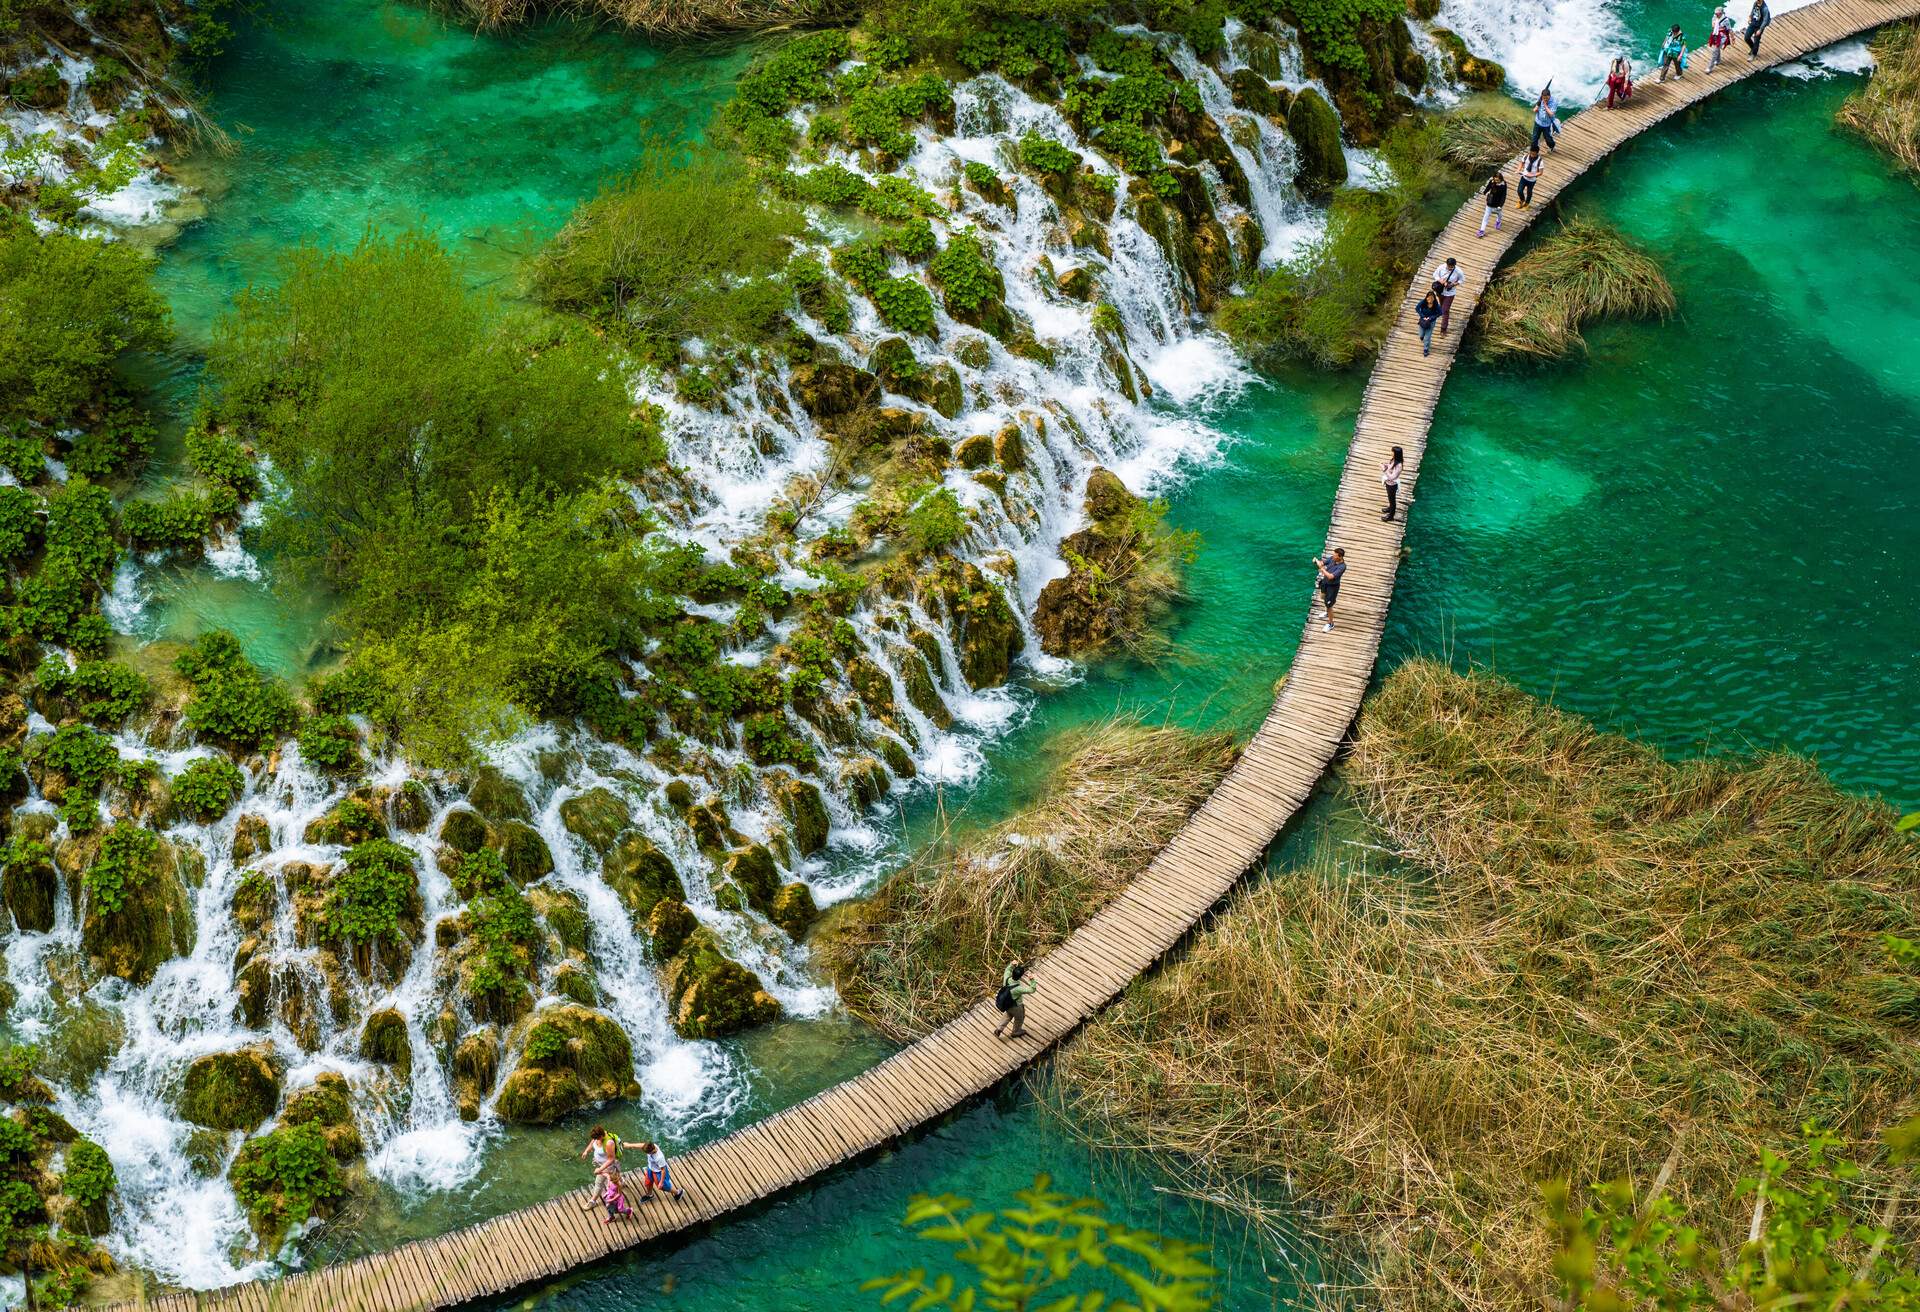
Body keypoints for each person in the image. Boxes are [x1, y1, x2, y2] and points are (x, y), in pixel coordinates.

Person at [993, 961, 1036, 1039]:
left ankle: (999, 1029)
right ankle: (1016, 1031)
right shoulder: (1017, 988)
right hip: (1016, 1006)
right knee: (1020, 1017)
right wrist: (1032, 980)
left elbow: (1007, 970)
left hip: (1007, 1004)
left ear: (1012, 973)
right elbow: (1031, 990)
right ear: (1020, 977)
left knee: (1008, 1015)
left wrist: (1011, 965)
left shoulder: (1007, 978)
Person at [1314, 548, 1346, 633]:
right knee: (1324, 598)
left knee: (1329, 605)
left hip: (1332, 587)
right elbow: (1323, 563)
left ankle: (1331, 623)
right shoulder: (1332, 558)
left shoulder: (1342, 567)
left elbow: (1331, 576)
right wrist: (1317, 562)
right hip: (1325, 583)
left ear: (1340, 557)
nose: (1333, 557)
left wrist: (1322, 569)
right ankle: (1327, 612)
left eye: (1335, 555)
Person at [1431, 256, 1464, 334]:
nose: (1450, 268)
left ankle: (1443, 329)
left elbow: (1461, 280)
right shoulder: (1441, 267)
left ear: (1454, 265)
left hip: (1450, 293)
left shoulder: (1458, 271)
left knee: (1445, 310)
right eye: (1449, 266)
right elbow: (1435, 275)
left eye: (1452, 267)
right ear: (1446, 264)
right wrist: (1441, 281)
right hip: (1440, 291)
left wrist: (1453, 284)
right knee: (1443, 308)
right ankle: (1443, 315)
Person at [1476, 170, 1508, 237]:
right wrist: (1485, 192)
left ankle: (1498, 221)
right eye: (1495, 180)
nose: (1496, 181)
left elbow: (1503, 196)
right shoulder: (1492, 182)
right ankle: (1482, 230)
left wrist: (1500, 205)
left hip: (1498, 203)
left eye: (1498, 180)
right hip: (1490, 202)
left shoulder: (1503, 184)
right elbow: (1488, 187)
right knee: (1486, 216)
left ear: (1501, 179)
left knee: (1499, 214)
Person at [1414, 284, 1443, 357]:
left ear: (1434, 298)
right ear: (1426, 298)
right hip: (1423, 321)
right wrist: (1423, 316)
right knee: (1421, 335)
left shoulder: (1436, 305)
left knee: (1427, 337)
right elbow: (1417, 308)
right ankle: (1422, 338)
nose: (1429, 300)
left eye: (1431, 298)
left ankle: (1426, 349)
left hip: (1431, 322)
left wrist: (1431, 318)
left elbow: (1440, 313)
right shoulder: (1423, 302)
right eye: (1428, 298)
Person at [1381, 446, 1404, 521]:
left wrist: (1384, 469)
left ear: (1396, 453)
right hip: (1388, 483)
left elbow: (1392, 477)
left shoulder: (1399, 466)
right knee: (1389, 497)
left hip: (1392, 484)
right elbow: (1390, 466)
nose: (1391, 453)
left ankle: (1391, 516)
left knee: (1392, 500)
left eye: (1392, 452)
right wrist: (1386, 465)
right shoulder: (1394, 460)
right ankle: (1390, 508)